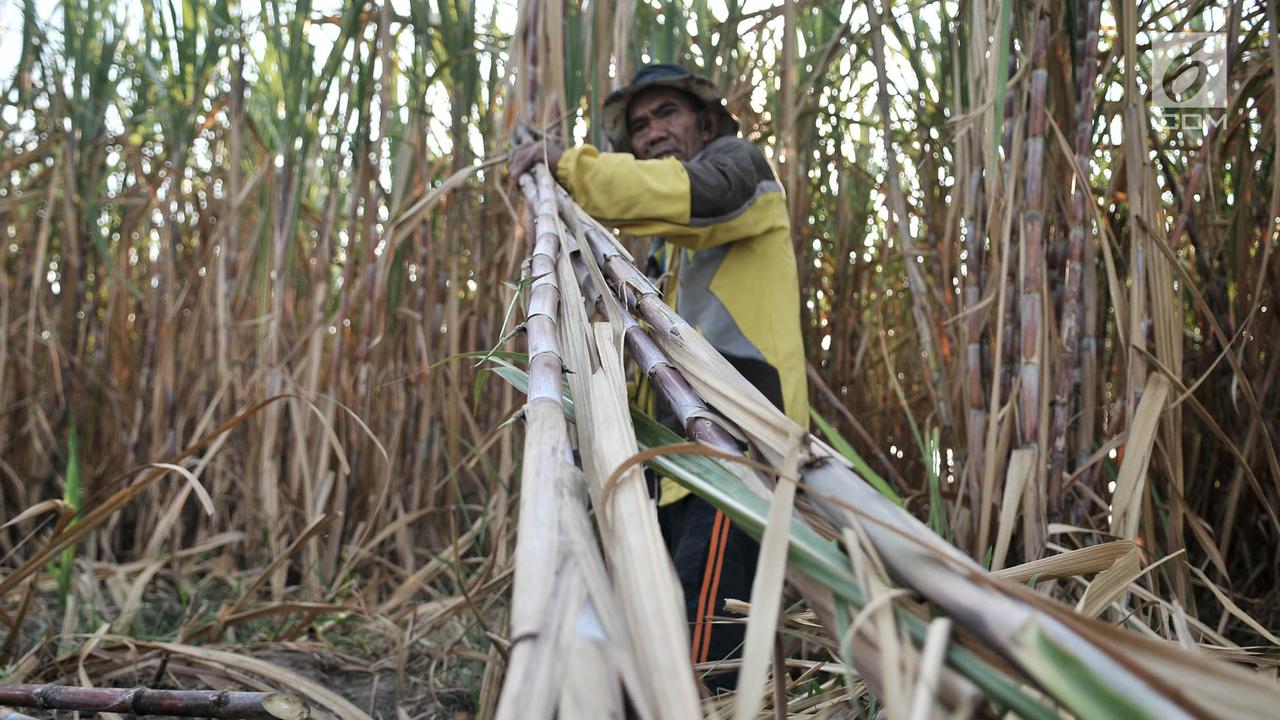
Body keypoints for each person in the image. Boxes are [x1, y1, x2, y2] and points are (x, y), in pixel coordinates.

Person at [510, 63, 808, 692]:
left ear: (705, 121)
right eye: (639, 125)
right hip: (669, 467)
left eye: (666, 113)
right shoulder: (661, 247)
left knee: (708, 659)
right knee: (660, 640)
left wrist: (570, 167)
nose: (651, 131)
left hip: (734, 448)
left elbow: (688, 195)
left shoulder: (740, 174)